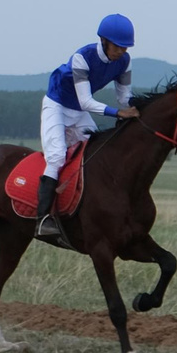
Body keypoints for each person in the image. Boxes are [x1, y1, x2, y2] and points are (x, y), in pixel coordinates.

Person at [35, 14, 136, 246]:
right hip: (57, 105)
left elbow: (124, 97)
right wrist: (118, 113)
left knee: (95, 151)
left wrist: (135, 110)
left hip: (78, 111)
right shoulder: (82, 57)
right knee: (57, 156)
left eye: (126, 47)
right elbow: (86, 102)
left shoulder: (125, 61)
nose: (122, 51)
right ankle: (43, 219)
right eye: (118, 46)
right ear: (103, 40)